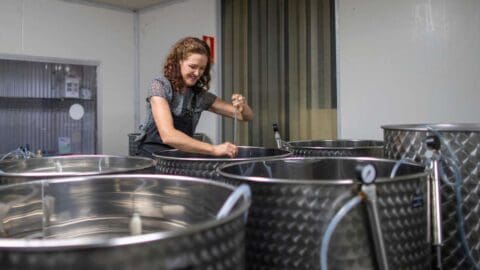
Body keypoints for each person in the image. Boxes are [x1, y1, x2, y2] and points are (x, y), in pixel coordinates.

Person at [136, 37, 253, 158]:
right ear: (178, 62)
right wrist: (213, 149)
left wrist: (242, 106)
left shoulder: (200, 96)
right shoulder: (160, 86)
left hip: (178, 158)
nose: (197, 73)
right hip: (151, 158)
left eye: (202, 68)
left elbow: (244, 116)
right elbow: (168, 136)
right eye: (192, 66)